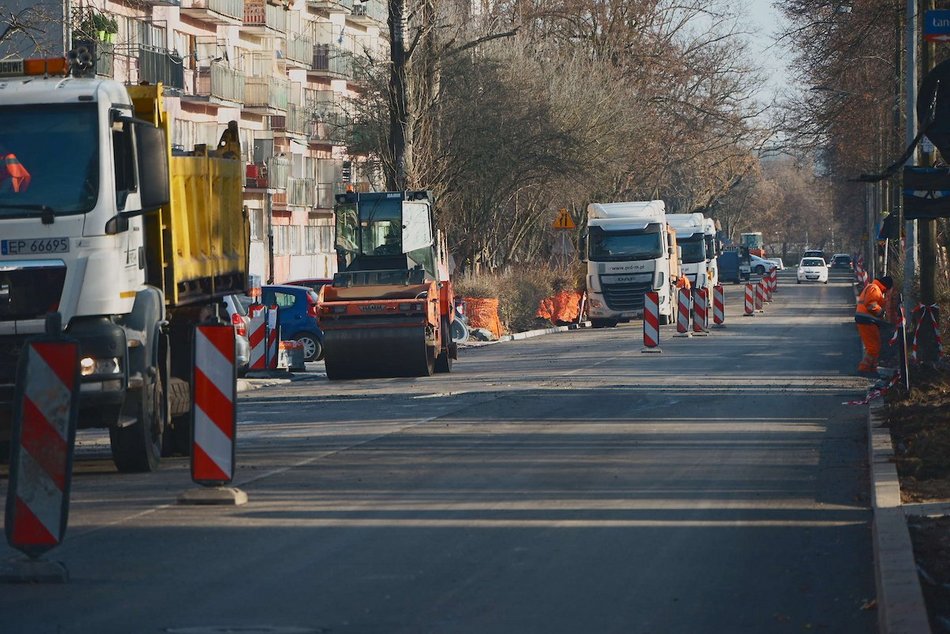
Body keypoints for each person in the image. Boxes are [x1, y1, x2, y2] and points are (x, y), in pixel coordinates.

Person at [855, 274, 893, 373]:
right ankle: (864, 369)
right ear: (886, 286)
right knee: (873, 347)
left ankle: (872, 369)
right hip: (867, 320)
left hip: (865, 319)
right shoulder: (875, 289)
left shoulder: (872, 287)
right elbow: (870, 304)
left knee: (875, 346)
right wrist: (881, 312)